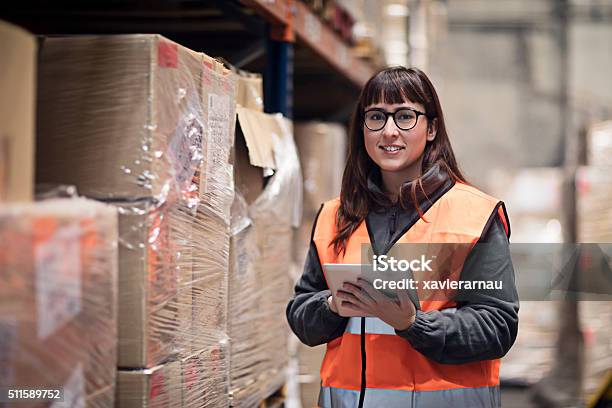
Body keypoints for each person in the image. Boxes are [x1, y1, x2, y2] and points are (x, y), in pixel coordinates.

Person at [286, 66, 519, 408]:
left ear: (431, 129)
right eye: (376, 117)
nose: (389, 132)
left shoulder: (473, 215)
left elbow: (496, 326)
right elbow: (301, 315)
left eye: (405, 116)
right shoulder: (334, 218)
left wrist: (413, 323)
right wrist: (333, 305)